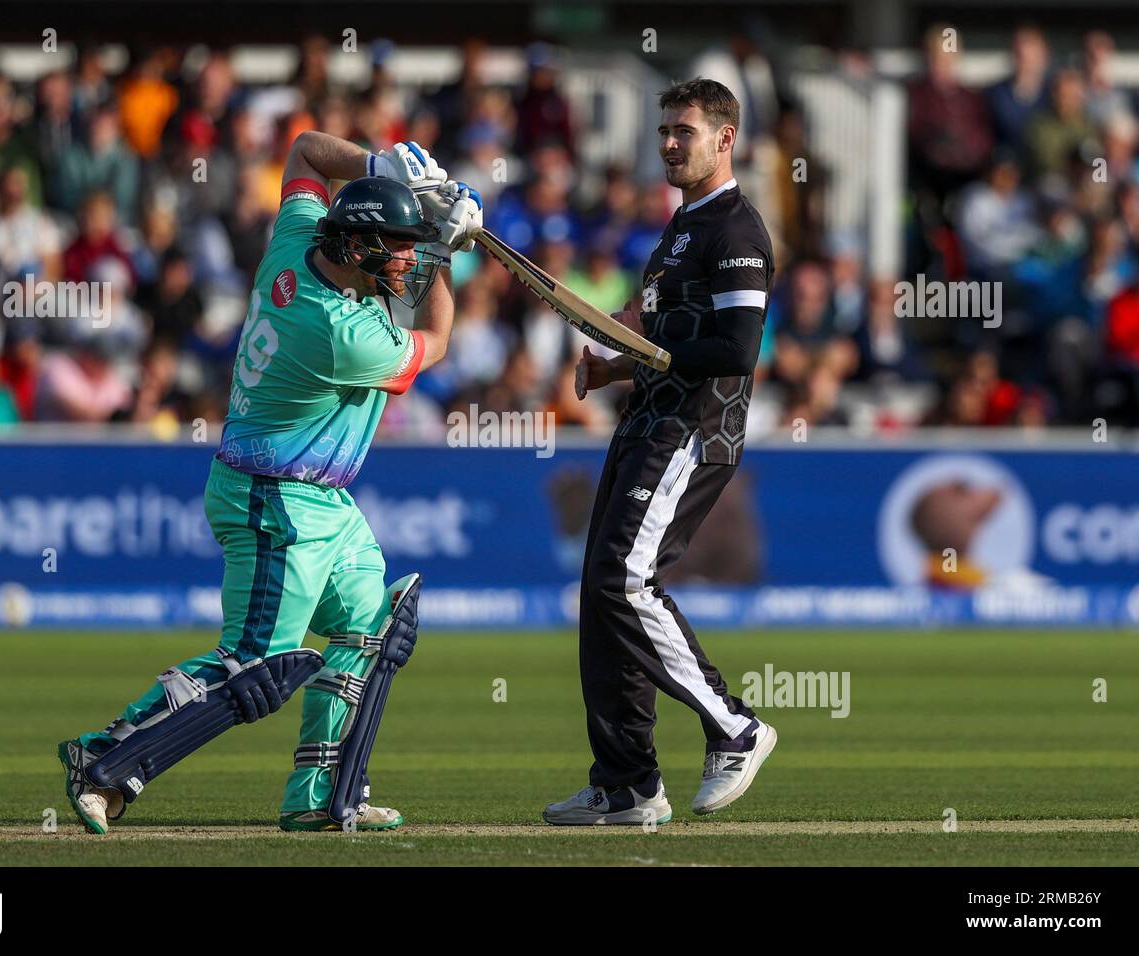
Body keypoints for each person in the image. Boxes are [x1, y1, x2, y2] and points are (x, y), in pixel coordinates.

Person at [57, 135, 481, 835]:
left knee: (370, 626)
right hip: (275, 497)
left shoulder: (296, 243)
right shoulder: (342, 333)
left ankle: (318, 792)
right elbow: (435, 342)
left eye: (412, 248)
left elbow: (307, 152)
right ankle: (104, 760)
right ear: (356, 247)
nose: (405, 260)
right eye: (398, 247)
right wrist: (443, 255)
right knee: (256, 666)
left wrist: (381, 168)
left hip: (323, 500)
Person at [544, 78, 776, 826]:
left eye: (685, 131)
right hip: (646, 425)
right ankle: (627, 785)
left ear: (724, 139)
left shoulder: (735, 231)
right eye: (665, 132)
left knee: (623, 578)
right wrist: (616, 365)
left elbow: (736, 348)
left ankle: (735, 726)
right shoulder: (679, 233)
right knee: (601, 593)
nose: (670, 144)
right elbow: (669, 341)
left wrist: (647, 345)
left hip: (694, 432)